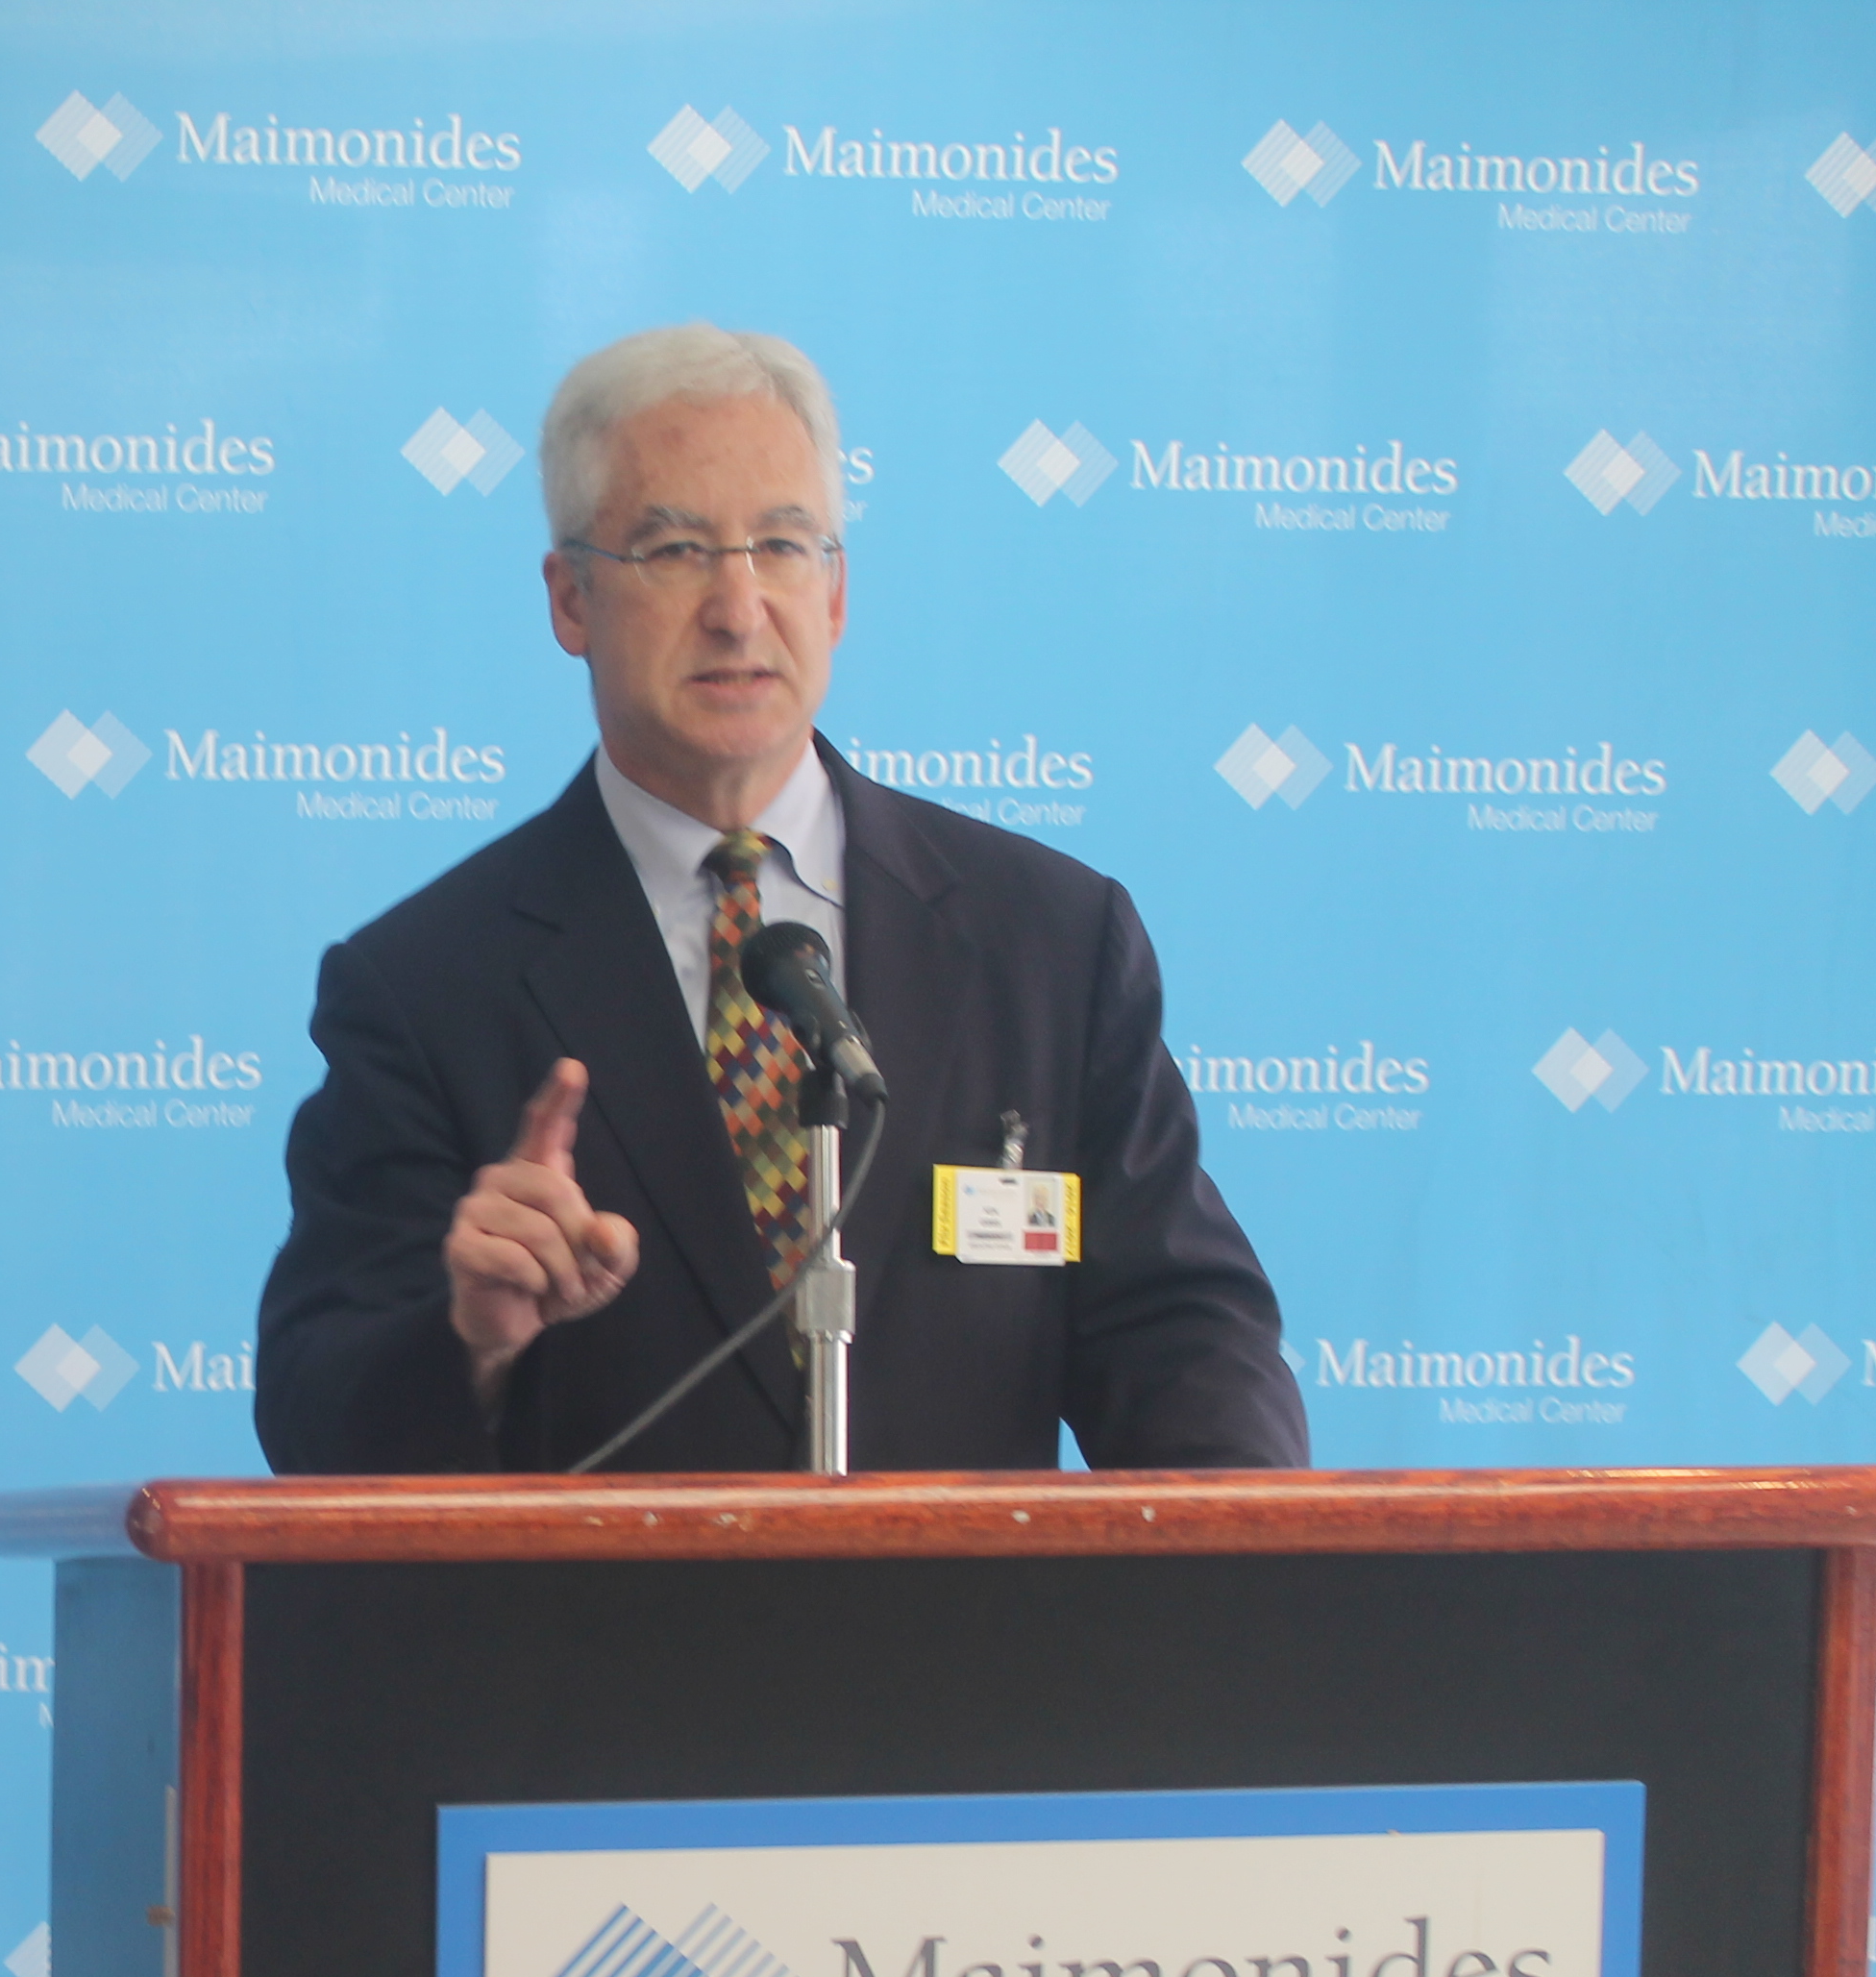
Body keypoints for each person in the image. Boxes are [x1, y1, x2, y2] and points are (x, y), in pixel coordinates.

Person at [256, 323, 1306, 1476]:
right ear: (570, 601)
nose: (738, 606)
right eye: (674, 550)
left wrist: (1252, 1546)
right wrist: (472, 1338)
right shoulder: (425, 985)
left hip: (968, 1600)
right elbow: (315, 1415)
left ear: (837, 592)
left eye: (783, 545)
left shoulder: (1047, 940)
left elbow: (1184, 1337)